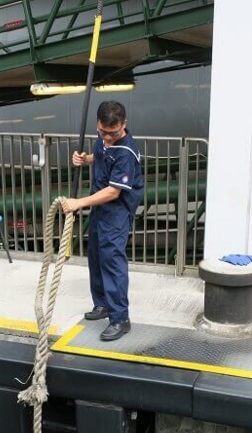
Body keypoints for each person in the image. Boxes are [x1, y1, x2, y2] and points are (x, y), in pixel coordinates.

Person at [61, 101, 143, 341]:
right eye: (102, 132)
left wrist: (78, 202)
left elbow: (113, 192)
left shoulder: (126, 152)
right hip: (100, 210)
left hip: (116, 212)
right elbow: (100, 157)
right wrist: (84, 158)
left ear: (123, 125)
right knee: (96, 257)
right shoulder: (104, 140)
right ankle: (102, 304)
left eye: (113, 133)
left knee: (112, 263)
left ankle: (120, 318)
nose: (107, 137)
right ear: (98, 124)